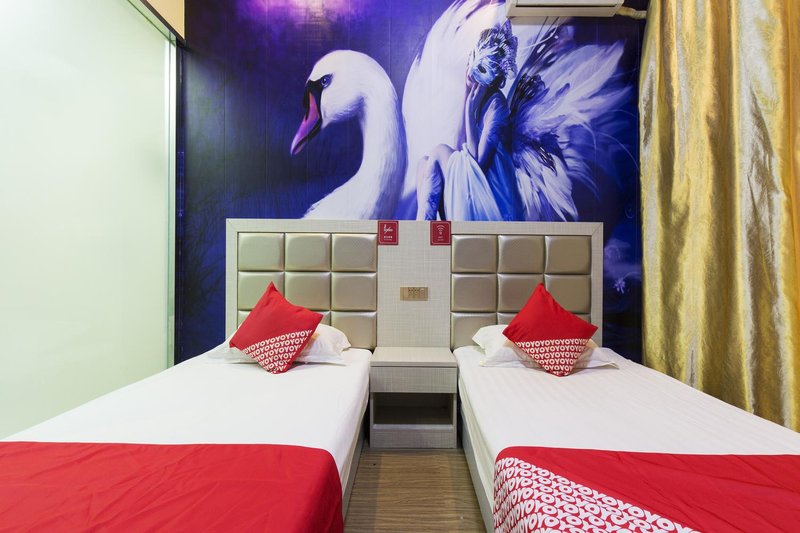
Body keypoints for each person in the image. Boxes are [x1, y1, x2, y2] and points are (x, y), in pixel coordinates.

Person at [416, 20, 523, 221]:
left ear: (493, 77)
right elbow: (460, 147)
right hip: (472, 183)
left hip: (490, 195)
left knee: (438, 152)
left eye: (480, 68)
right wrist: (467, 95)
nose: (471, 72)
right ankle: (424, 230)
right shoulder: (477, 98)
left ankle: (421, 231)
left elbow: (477, 164)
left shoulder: (497, 105)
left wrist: (469, 111)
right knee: (423, 165)